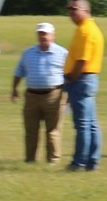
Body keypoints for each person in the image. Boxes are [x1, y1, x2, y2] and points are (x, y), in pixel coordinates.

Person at [9, 21, 68, 164]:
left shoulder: (62, 53)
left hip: (53, 95)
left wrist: (69, 96)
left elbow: (69, 75)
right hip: (31, 96)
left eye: (46, 34)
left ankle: (53, 160)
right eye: (40, 34)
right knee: (30, 131)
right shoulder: (28, 53)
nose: (43, 37)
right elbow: (19, 72)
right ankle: (30, 159)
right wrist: (14, 89)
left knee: (53, 130)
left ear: (53, 36)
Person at [63, 0, 104, 171]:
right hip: (88, 78)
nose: (71, 13)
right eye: (69, 10)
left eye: (74, 9)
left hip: (81, 79)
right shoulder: (90, 28)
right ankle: (92, 161)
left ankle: (79, 162)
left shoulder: (85, 31)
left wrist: (71, 77)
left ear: (85, 10)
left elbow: (82, 60)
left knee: (82, 124)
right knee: (91, 123)